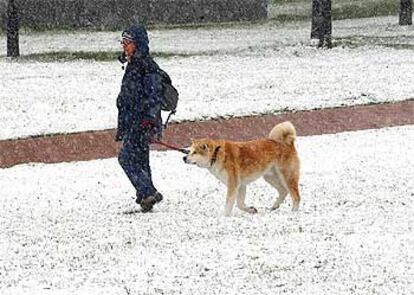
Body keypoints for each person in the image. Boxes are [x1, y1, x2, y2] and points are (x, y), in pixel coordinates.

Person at [115, 24, 164, 213]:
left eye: (127, 43)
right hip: (133, 120)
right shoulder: (135, 63)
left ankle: (148, 191)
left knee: (126, 158)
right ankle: (146, 197)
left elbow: (154, 95)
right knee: (141, 160)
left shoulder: (146, 66)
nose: (124, 46)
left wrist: (149, 119)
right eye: (123, 43)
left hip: (141, 122)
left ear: (137, 43)